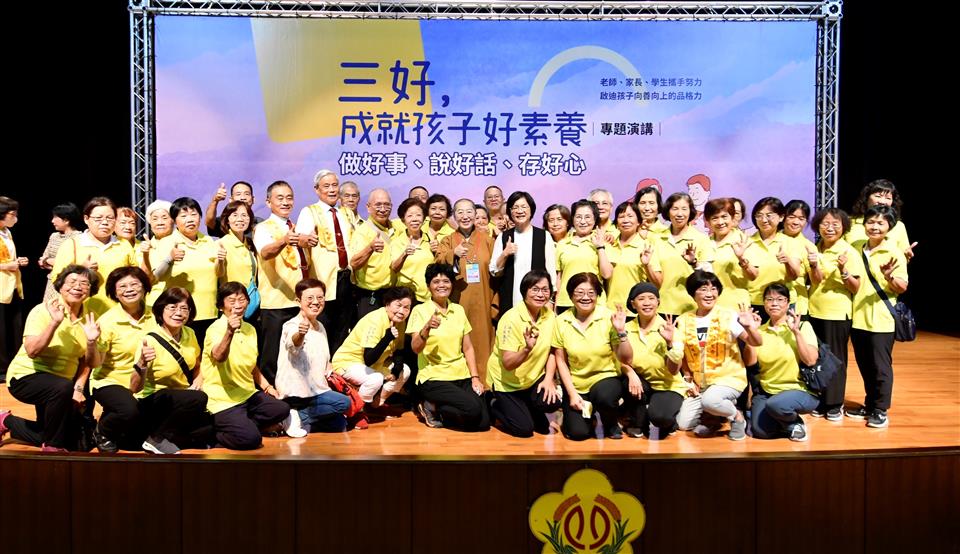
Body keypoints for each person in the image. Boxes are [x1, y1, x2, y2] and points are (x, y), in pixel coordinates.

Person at [0, 265, 101, 451]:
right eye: (72, 282)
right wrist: (54, 323)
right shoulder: (43, 311)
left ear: (91, 290)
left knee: (77, 443)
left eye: (84, 283)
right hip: (27, 377)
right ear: (60, 286)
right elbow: (32, 351)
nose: (77, 286)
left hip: (62, 387)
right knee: (61, 393)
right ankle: (53, 447)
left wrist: (91, 344)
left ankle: (6, 421)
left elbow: (88, 362)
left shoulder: (90, 318)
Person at [198, 282, 293, 450]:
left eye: (242, 300)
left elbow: (252, 365)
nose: (238, 305)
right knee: (251, 440)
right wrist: (229, 332)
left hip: (247, 394)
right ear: (221, 306)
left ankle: (243, 424)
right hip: (222, 399)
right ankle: (211, 435)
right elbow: (219, 356)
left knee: (282, 409)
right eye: (231, 301)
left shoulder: (250, 329)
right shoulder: (215, 329)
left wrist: (267, 387)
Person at [670, 270, 762, 441]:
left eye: (713, 289)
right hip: (700, 383)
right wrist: (688, 378)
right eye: (703, 289)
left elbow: (755, 342)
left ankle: (737, 417)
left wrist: (750, 327)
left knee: (711, 401)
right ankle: (714, 415)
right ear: (693, 293)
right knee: (683, 424)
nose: (709, 294)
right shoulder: (684, 320)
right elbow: (682, 354)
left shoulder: (728, 315)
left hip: (728, 378)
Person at [846, 205, 908, 428]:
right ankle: (870, 404)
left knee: (881, 367)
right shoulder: (856, 248)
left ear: (889, 227)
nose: (874, 227)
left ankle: (881, 410)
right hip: (858, 316)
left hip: (882, 319)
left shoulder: (894, 252)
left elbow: (902, 287)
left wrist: (889, 277)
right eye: (871, 222)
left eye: (880, 223)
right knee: (865, 364)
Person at [551, 272, 632, 440]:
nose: (585, 297)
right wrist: (572, 393)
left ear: (598, 295)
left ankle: (610, 422)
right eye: (579, 293)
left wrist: (621, 331)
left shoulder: (609, 317)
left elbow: (626, 358)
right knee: (577, 433)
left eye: (591, 293)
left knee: (604, 397)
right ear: (571, 296)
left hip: (605, 379)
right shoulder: (561, 321)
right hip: (577, 383)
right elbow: (561, 361)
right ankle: (590, 416)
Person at [409, 263, 489, 431]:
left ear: (452, 284)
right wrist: (426, 328)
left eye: (446, 281)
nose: (441, 285)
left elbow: (468, 348)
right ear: (428, 286)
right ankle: (431, 407)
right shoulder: (420, 310)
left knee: (484, 423)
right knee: (472, 409)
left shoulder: (458, 310)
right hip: (434, 377)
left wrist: (475, 377)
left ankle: (436, 407)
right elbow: (415, 348)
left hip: (460, 375)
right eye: (436, 282)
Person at [133, 287, 211, 454]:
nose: (179, 313)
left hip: (182, 399)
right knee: (198, 399)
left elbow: (197, 364)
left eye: (184, 308)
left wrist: (198, 379)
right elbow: (135, 388)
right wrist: (142, 363)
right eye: (172, 307)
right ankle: (156, 439)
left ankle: (170, 437)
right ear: (161, 310)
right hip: (154, 400)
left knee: (210, 426)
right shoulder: (149, 339)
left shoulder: (190, 333)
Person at [486, 270, 561, 437]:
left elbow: (552, 351)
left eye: (545, 289)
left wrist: (549, 379)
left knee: (552, 403)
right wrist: (526, 349)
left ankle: (525, 406)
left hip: (531, 380)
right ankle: (493, 402)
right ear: (524, 291)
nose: (540, 294)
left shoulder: (550, 316)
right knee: (524, 430)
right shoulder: (510, 319)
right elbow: (508, 363)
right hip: (506, 383)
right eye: (535, 289)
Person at [88, 267, 154, 452]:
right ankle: (101, 431)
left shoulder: (156, 315)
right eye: (122, 286)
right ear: (114, 293)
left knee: (136, 443)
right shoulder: (107, 321)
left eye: (134, 284)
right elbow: (96, 363)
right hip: (110, 381)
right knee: (129, 410)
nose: (129, 289)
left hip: (145, 381)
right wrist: (91, 342)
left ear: (144, 287)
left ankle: (115, 416)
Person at [744, 283, 820, 441]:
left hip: (799, 390)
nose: (774, 303)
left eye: (780, 299)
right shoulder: (760, 331)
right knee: (761, 432)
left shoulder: (803, 326)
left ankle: (794, 422)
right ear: (764, 303)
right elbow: (750, 363)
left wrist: (796, 333)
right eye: (769, 299)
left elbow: (810, 360)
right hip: (767, 392)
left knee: (777, 404)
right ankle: (784, 421)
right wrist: (751, 331)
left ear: (788, 302)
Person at [275, 279, 352, 434]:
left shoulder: (320, 326)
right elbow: (293, 344)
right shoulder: (292, 325)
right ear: (298, 301)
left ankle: (298, 420)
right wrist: (300, 334)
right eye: (310, 298)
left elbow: (324, 358)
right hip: (297, 392)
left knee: (340, 424)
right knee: (344, 403)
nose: (316, 302)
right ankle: (296, 414)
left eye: (320, 298)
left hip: (317, 390)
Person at [807, 208, 862, 420]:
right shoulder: (816, 248)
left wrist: (843, 270)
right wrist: (814, 263)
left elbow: (855, 287)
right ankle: (822, 399)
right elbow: (816, 280)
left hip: (836, 313)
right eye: (825, 224)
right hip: (814, 309)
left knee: (835, 359)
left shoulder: (848, 252)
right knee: (818, 357)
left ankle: (835, 403)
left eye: (835, 224)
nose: (829, 228)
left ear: (844, 227)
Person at [253, 181, 311, 384]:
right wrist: (283, 241)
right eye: (280, 198)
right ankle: (269, 394)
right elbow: (265, 252)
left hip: (299, 302)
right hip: (276, 302)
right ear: (268, 202)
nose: (286, 202)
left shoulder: (296, 228)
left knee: (296, 352)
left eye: (289, 198)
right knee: (272, 355)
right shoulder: (263, 228)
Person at [295, 169, 354, 353]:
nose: (332, 190)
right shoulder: (309, 212)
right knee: (323, 326)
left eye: (335, 185)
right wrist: (306, 239)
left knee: (343, 327)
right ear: (317, 189)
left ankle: (338, 366)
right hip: (323, 281)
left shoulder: (346, 213)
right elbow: (300, 239)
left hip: (347, 277)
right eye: (326, 186)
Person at [437, 199, 496, 377]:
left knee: (483, 339)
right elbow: (437, 266)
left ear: (476, 215)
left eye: (469, 212)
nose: (465, 216)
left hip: (484, 299)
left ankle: (484, 382)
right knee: (457, 340)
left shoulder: (488, 241)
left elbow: (497, 271)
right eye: (460, 212)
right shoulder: (447, 241)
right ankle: (460, 381)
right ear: (454, 216)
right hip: (457, 299)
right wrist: (452, 254)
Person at [51, 197, 139, 316]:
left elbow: (136, 278)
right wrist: (81, 269)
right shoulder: (72, 244)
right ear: (86, 219)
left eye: (110, 218)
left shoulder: (124, 245)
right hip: (82, 312)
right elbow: (57, 279)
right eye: (98, 218)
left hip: (118, 313)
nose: (105, 222)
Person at [153, 197, 222, 347]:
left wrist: (221, 261)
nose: (190, 219)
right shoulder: (167, 242)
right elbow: (156, 277)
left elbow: (219, 274)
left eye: (194, 214)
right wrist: (170, 258)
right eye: (183, 216)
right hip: (179, 315)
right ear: (174, 221)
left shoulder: (210, 242)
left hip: (210, 311)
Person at [332, 286, 414, 411]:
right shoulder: (375, 320)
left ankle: (377, 403)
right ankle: (356, 410)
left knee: (405, 371)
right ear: (387, 304)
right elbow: (368, 358)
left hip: (374, 365)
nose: (402, 311)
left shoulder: (400, 322)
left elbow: (398, 349)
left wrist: (396, 370)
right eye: (398, 305)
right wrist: (387, 337)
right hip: (348, 363)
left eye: (406, 308)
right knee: (376, 379)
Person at [620, 283, 685, 439]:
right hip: (642, 383)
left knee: (661, 419)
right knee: (626, 381)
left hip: (668, 385)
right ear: (633, 304)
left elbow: (674, 371)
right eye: (641, 299)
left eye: (651, 298)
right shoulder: (624, 327)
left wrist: (670, 344)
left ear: (658, 302)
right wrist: (630, 373)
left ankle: (662, 417)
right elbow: (619, 359)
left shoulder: (670, 328)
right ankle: (638, 421)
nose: (647, 303)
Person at [491, 192, 557, 317]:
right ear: (510, 212)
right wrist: (505, 254)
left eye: (524, 207)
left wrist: (550, 300)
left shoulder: (544, 236)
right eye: (515, 207)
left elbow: (550, 272)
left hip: (539, 301)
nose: (520, 211)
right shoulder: (503, 237)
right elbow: (495, 271)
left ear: (531, 210)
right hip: (510, 300)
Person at [649, 192, 711, 316]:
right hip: (662, 307)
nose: (679, 214)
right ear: (668, 211)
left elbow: (709, 277)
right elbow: (654, 276)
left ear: (690, 212)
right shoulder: (656, 238)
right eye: (675, 209)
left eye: (684, 209)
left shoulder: (701, 239)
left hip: (692, 307)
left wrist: (694, 263)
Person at [744, 197, 803, 318]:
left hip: (782, 303)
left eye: (769, 215)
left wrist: (787, 261)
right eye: (759, 215)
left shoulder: (791, 243)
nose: (764, 220)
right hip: (754, 302)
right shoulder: (746, 242)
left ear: (781, 217)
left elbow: (794, 276)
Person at [553, 199, 612, 313]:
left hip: (593, 301)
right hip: (566, 302)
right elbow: (559, 277)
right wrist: (556, 301)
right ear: (572, 219)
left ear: (595, 219)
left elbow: (607, 274)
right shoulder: (562, 244)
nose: (583, 221)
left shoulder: (603, 241)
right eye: (578, 217)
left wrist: (600, 247)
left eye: (587, 217)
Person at [350, 188, 397, 320]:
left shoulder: (397, 227)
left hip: (392, 294)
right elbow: (354, 264)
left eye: (387, 205)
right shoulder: (362, 232)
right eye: (378, 205)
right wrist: (370, 248)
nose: (383, 209)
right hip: (370, 296)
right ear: (368, 207)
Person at [606, 200, 662, 309]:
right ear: (616, 223)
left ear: (638, 222)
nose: (625, 220)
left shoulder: (646, 246)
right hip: (610, 309)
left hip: (636, 310)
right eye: (621, 217)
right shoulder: (609, 245)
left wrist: (647, 265)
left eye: (630, 216)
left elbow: (658, 284)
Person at [846, 179, 915, 260]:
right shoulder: (849, 222)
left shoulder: (899, 226)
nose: (882, 202)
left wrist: (905, 256)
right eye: (878, 196)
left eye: (888, 198)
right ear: (866, 198)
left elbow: (902, 258)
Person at [704, 198, 751, 309]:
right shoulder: (704, 242)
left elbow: (753, 276)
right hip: (709, 306)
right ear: (708, 222)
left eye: (724, 217)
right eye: (714, 218)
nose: (720, 222)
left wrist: (741, 259)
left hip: (736, 306)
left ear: (732, 218)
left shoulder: (743, 241)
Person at [0, 197, 28, 383]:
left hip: (12, 286)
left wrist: (17, 262)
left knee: (14, 326)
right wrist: (6, 265)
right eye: (13, 214)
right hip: (1, 286)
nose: (15, 217)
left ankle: (15, 365)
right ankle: (1, 369)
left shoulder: (6, 232)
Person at [217, 201, 258, 314]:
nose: (240, 219)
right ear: (227, 220)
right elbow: (218, 274)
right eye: (235, 215)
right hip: (232, 304)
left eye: (244, 215)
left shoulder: (250, 243)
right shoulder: (221, 244)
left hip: (250, 303)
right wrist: (220, 261)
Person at [390, 198, 433, 302]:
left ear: (424, 218)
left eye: (418, 215)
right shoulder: (397, 242)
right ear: (403, 220)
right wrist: (404, 254)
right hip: (407, 298)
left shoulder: (431, 239)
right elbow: (394, 268)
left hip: (429, 297)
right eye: (410, 216)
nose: (414, 219)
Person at [39, 203, 82, 302]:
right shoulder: (54, 236)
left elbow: (74, 264)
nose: (52, 221)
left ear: (66, 220)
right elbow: (42, 260)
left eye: (55, 217)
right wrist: (48, 261)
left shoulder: (79, 238)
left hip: (70, 283)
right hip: (52, 281)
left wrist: (49, 261)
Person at [781, 199, 816, 317]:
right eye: (791, 217)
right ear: (783, 217)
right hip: (770, 301)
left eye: (801, 219)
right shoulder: (774, 239)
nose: (796, 222)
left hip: (796, 307)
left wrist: (814, 264)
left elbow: (816, 280)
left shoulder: (808, 246)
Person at [144, 199, 174, 306]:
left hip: (176, 301)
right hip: (150, 303)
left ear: (173, 220)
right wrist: (145, 254)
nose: (160, 222)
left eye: (164, 218)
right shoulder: (143, 247)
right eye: (155, 219)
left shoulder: (180, 242)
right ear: (150, 223)